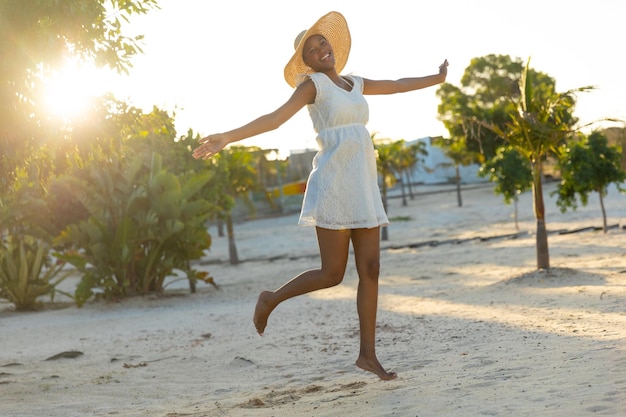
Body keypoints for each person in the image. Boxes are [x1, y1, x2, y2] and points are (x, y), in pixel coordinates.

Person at [193, 11, 448, 380]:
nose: (320, 50)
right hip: (333, 182)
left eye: (322, 43)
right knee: (332, 274)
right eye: (312, 49)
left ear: (332, 46)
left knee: (372, 269)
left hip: (362, 183)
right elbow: (275, 119)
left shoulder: (354, 82)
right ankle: (271, 298)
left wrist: (436, 78)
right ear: (306, 61)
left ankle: (368, 355)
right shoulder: (312, 86)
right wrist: (228, 136)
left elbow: (395, 83)